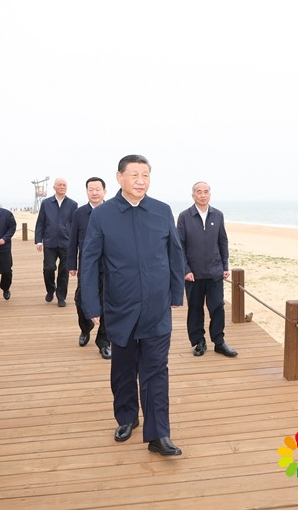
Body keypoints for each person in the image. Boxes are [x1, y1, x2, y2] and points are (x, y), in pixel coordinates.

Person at [80, 155, 185, 456]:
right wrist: (92, 306)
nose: (141, 180)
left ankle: (159, 435)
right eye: (134, 174)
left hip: (156, 309)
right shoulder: (103, 215)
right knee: (123, 369)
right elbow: (89, 262)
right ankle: (126, 418)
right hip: (120, 307)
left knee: (156, 371)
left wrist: (175, 295)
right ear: (119, 177)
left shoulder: (162, 211)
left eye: (145, 175)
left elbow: (174, 254)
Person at [176, 182, 238, 358]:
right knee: (195, 309)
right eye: (199, 192)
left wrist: (225, 266)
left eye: (205, 192)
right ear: (193, 195)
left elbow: (222, 241)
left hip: (215, 272)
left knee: (217, 307)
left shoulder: (217, 215)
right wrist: (185, 269)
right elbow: (179, 246)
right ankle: (199, 342)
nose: (202, 195)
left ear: (210, 194)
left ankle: (219, 342)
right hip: (193, 274)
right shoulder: (184, 216)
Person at [67, 177, 111, 359]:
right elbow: (72, 240)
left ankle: (104, 342)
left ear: (104, 191)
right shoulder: (79, 214)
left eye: (97, 189)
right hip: (87, 265)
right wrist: (72, 264)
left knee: (108, 302)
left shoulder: (112, 211)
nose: (94, 193)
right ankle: (85, 328)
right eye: (91, 189)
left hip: (110, 265)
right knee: (81, 299)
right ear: (86, 192)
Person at [35, 178, 78, 307]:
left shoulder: (73, 204)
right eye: (59, 185)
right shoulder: (46, 203)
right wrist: (38, 241)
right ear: (54, 187)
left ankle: (61, 297)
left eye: (64, 185)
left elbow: (75, 225)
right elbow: (40, 222)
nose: (62, 187)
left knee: (64, 272)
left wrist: (75, 242)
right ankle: (50, 290)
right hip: (50, 242)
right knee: (48, 269)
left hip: (66, 243)